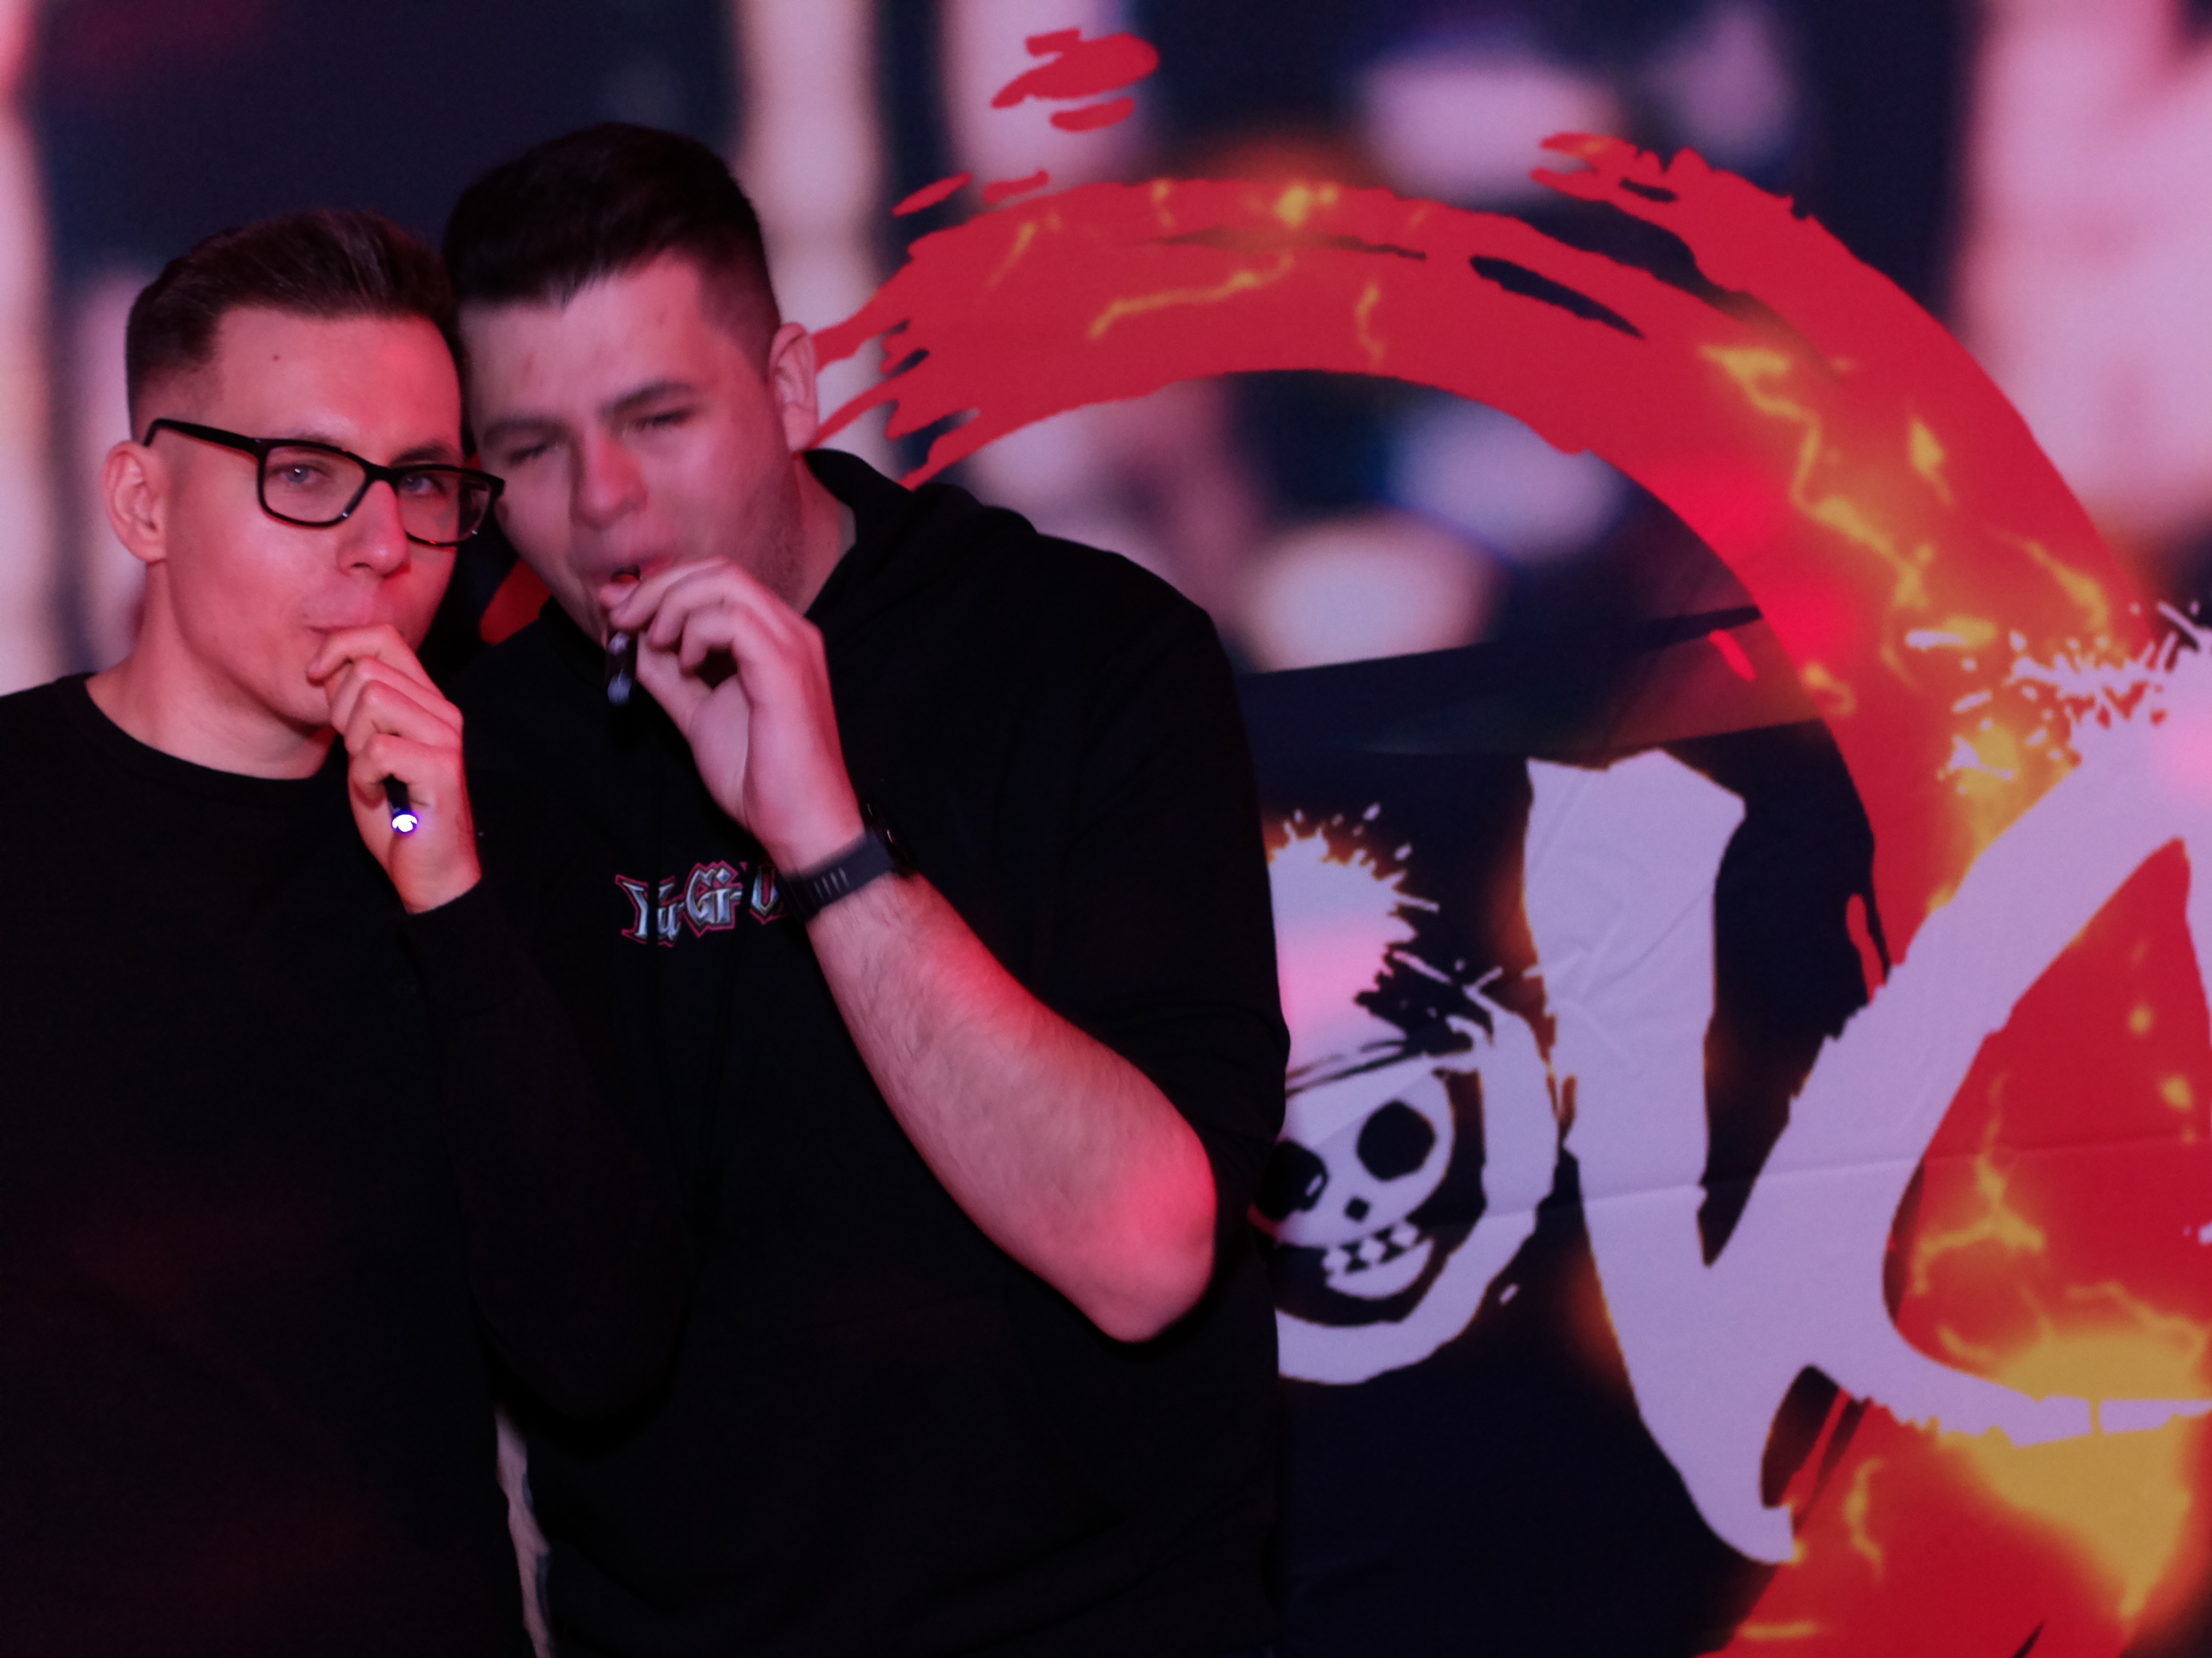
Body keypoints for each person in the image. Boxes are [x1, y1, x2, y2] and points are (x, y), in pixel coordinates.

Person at [443, 124, 1289, 1658]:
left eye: (656, 418)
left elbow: (1146, 1257)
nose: (605, 506)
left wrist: (825, 843)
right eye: (532, 451)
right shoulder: (480, 769)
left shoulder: (1084, 657)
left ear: (790, 388)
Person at [0, 209, 689, 1656]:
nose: (382, 546)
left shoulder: (501, 851)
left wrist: (446, 890)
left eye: (423, 482)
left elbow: (599, 1350)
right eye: (307, 475)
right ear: (141, 503)